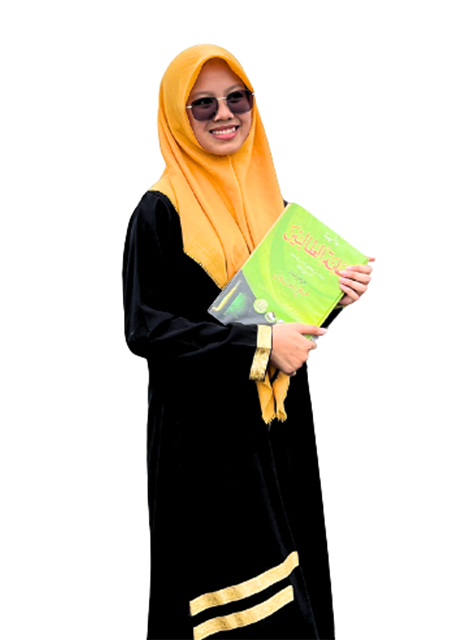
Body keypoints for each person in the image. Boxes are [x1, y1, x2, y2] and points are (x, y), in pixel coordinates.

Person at [124, 45, 374, 640]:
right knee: (232, 606)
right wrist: (259, 346)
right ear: (175, 115)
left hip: (276, 431)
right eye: (203, 104)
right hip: (206, 446)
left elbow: (283, 319)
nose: (224, 114)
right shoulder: (161, 209)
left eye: (237, 98)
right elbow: (148, 331)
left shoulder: (275, 209)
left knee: (296, 586)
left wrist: (343, 300)